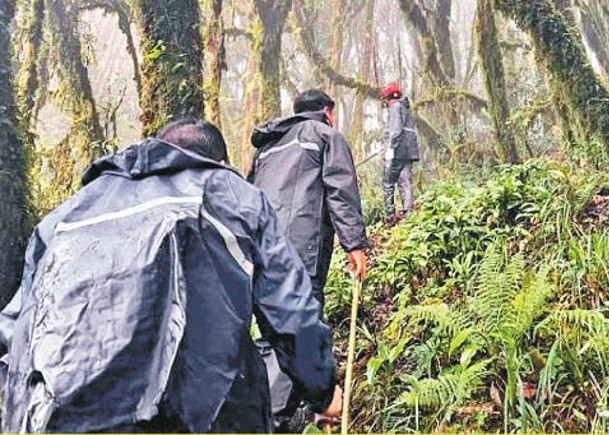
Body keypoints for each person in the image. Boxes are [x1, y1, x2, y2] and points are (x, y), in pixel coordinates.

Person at [0, 119, 341, 433]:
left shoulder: (64, 217)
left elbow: (13, 333)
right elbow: (290, 310)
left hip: (56, 416)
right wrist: (322, 391)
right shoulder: (230, 195)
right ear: (220, 163)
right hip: (196, 415)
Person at [248, 89, 368, 308]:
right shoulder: (326, 135)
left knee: (271, 324)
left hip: (261, 248)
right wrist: (355, 245)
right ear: (327, 111)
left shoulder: (267, 146)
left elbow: (248, 194)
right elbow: (340, 192)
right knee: (305, 323)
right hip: (303, 251)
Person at [381, 82, 419, 221]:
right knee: (405, 182)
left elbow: (395, 131)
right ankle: (408, 214)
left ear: (388, 98)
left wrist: (390, 148)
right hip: (408, 152)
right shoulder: (406, 108)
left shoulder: (395, 107)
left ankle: (390, 216)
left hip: (397, 152)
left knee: (388, 183)